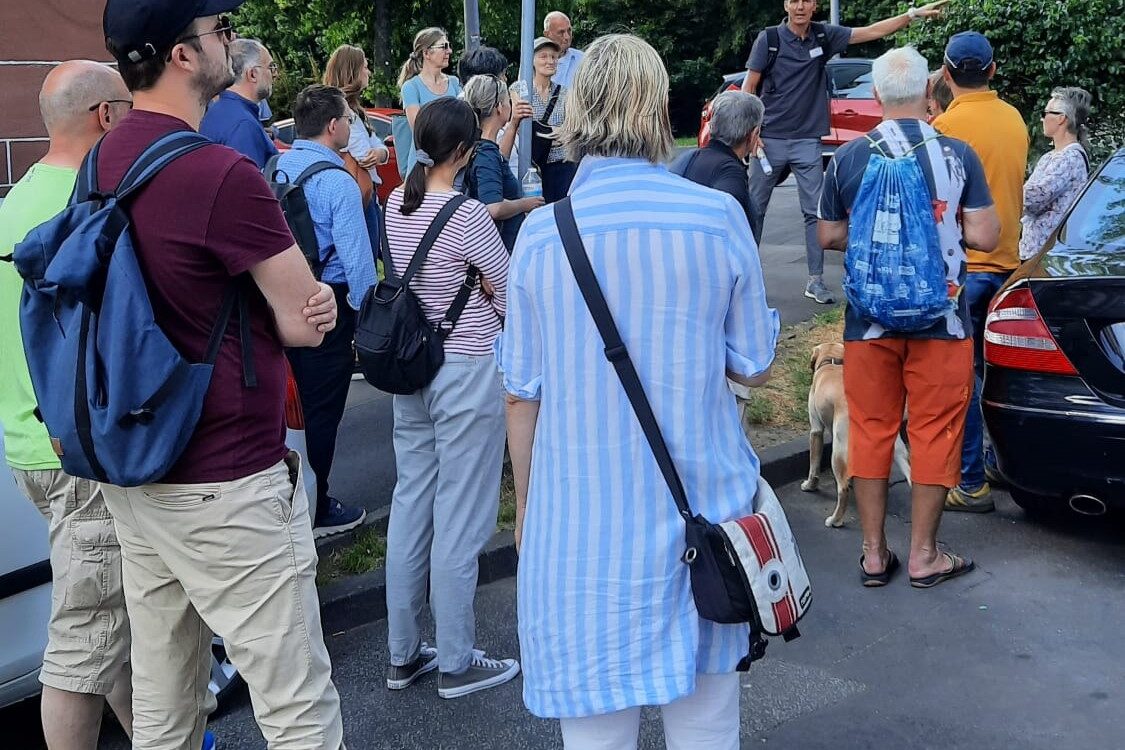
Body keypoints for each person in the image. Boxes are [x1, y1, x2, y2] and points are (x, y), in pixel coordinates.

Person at [500, 34, 780, 748]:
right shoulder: (715, 218)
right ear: (659, 109)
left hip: (580, 532)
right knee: (707, 728)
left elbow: (521, 392)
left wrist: (526, 510)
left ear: (577, 109)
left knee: (594, 735)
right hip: (703, 521)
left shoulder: (540, 234)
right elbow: (752, 363)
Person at [99, 2, 346, 747]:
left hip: (139, 470)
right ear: (181, 55)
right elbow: (303, 318)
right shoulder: (219, 172)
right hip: (227, 479)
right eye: (222, 33)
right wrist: (322, 300)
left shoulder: (104, 157)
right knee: (296, 703)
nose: (232, 47)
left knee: (165, 704)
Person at [817, 46, 1000, 589]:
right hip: (942, 323)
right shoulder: (958, 155)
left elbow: (827, 235)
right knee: (935, 431)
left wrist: (881, 242)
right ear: (929, 94)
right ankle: (924, 555)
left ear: (874, 97)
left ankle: (875, 555)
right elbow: (987, 235)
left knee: (872, 430)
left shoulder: (849, 159)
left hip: (869, 325)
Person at [0, 60, 135, 750]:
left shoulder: (15, 202)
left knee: (107, 618)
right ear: (105, 117)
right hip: (77, 449)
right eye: (128, 106)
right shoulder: (86, 210)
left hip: (30, 446)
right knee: (82, 642)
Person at [382, 97, 519, 700]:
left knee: (412, 506)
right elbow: (508, 297)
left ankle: (403, 654)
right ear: (464, 153)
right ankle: (458, 661)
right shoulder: (467, 215)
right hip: (464, 369)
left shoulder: (395, 203)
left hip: (410, 370)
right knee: (462, 517)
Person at [741, 0, 947, 304]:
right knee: (753, 209)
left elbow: (870, 32)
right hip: (769, 139)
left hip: (808, 140)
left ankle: (815, 280)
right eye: (794, 0)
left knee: (815, 212)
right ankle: (745, 280)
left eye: (806, 1)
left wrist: (911, 14)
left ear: (815, 5)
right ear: (785, 4)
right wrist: (751, 131)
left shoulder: (823, 36)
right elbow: (749, 86)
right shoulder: (769, 39)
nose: (800, 6)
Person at [932, 32, 1029, 513]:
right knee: (999, 374)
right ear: (992, 70)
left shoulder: (945, 126)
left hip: (965, 268)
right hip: (1009, 266)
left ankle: (970, 483)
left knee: (961, 379)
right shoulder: (1015, 119)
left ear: (947, 74)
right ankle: (998, 462)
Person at [276, 84, 375, 539]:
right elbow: (358, 267)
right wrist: (364, 323)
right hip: (327, 304)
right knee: (322, 409)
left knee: (288, 410)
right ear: (334, 126)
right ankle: (316, 506)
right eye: (348, 122)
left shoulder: (273, 166)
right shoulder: (337, 181)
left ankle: (286, 498)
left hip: (278, 298)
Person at [461, 75, 544, 249]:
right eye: (507, 101)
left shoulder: (480, 146)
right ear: (499, 107)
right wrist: (525, 204)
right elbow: (493, 207)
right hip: (502, 246)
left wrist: (513, 125)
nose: (510, 105)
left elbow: (499, 162)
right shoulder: (486, 153)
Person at [671, 90, 765, 236]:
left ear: (713, 125)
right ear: (754, 134)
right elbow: (729, 230)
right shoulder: (731, 173)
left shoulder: (688, 158)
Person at [1019, 86, 1092, 260]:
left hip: (1047, 255)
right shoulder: (1050, 157)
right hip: (1036, 252)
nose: (1042, 118)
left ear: (1061, 118)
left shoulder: (1070, 158)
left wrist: (1005, 186)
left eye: (1046, 113)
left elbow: (1033, 198)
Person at [512, 36, 576, 202]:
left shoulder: (566, 93)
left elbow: (572, 128)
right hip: (531, 167)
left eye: (554, 57)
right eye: (543, 56)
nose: (550, 61)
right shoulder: (519, 90)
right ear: (531, 60)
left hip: (562, 165)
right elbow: (517, 128)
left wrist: (540, 131)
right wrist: (554, 133)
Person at [199, 38, 278, 168]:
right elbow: (249, 185)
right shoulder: (243, 124)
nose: (275, 74)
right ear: (253, 74)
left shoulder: (220, 110)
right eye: (270, 67)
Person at [399, 27, 463, 175]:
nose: (449, 51)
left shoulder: (453, 82)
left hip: (452, 165)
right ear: (426, 53)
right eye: (443, 47)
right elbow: (419, 127)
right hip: (422, 167)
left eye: (449, 46)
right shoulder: (411, 87)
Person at [457, 45, 532, 160]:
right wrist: (513, 125)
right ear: (486, 80)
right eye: (501, 75)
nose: (505, 79)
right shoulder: (469, 112)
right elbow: (494, 159)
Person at [543, 11, 584, 87]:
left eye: (569, 31)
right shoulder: (533, 61)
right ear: (547, 34)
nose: (567, 37)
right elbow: (521, 89)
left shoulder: (583, 59)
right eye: (561, 32)